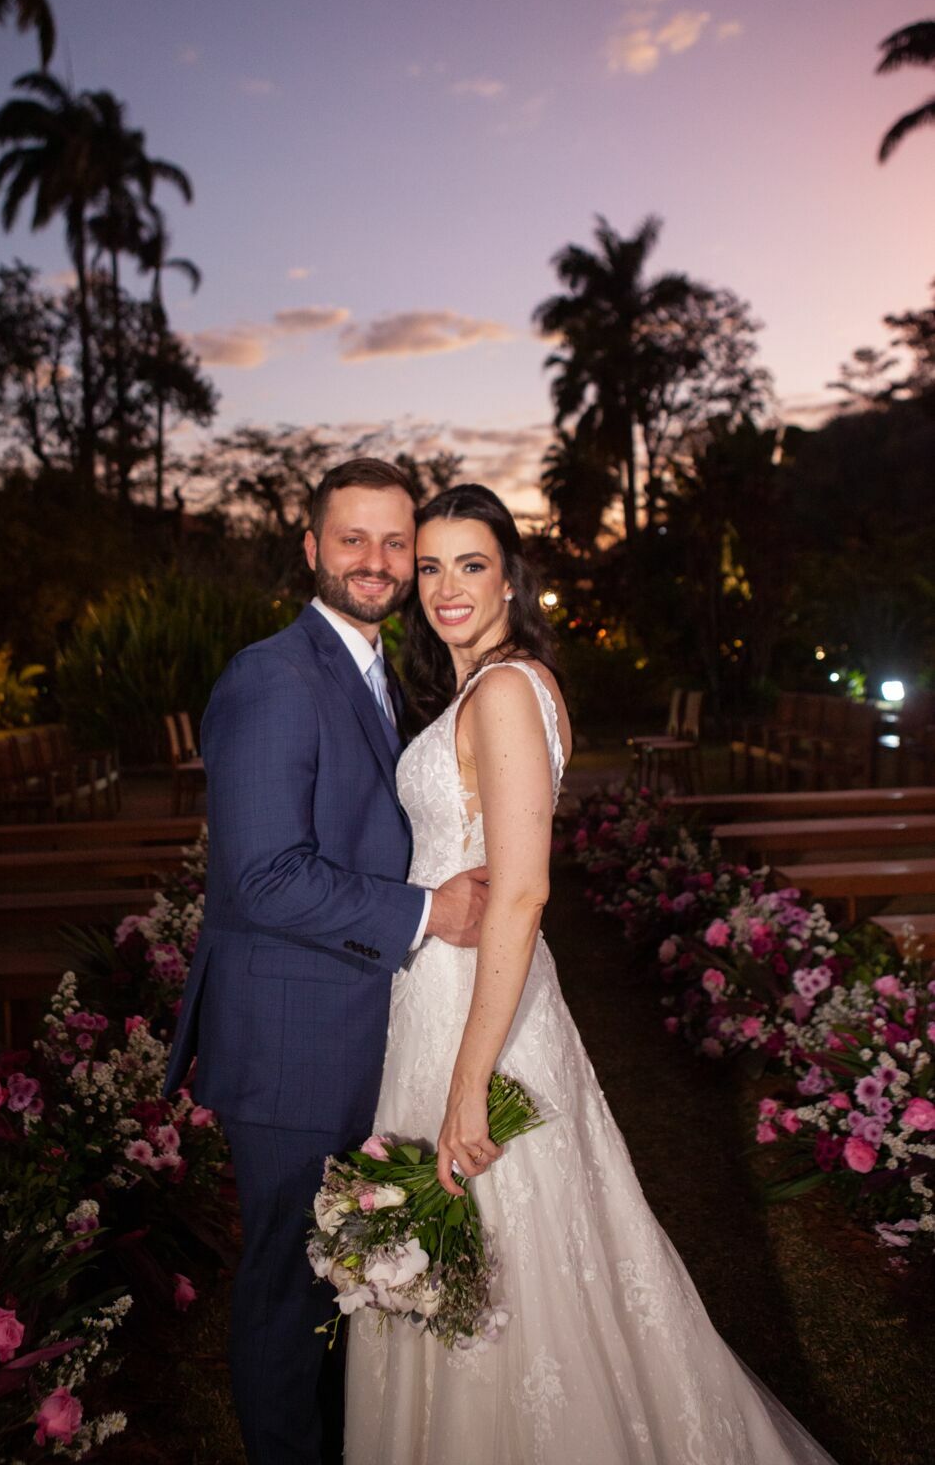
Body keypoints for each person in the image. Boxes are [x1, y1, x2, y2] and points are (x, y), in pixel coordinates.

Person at [345, 482, 838, 1465]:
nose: (445, 586)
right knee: (494, 1255)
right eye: (430, 565)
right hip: (443, 995)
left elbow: (523, 893)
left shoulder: (500, 692)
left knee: (507, 1260)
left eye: (470, 564)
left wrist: (470, 1081)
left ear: (509, 575)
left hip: (472, 1012)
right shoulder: (489, 687)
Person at [162, 458, 489, 1465]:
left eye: (397, 542)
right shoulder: (272, 674)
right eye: (352, 538)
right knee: (285, 1286)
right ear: (309, 548)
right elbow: (260, 877)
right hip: (291, 1043)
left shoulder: (382, 670)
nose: (377, 561)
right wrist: (424, 910)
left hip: (356, 1031)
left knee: (340, 1278)